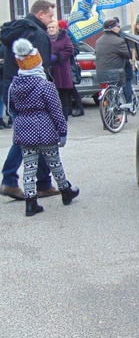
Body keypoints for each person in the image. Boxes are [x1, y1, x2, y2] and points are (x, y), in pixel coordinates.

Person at [8, 38, 79, 216]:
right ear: (36, 63)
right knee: (54, 162)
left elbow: (11, 109)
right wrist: (62, 131)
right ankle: (65, 191)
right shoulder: (44, 85)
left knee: (29, 166)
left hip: (23, 129)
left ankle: (30, 202)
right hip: (44, 129)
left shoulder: (14, 85)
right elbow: (56, 110)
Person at [0, 0, 57, 200]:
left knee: (31, 135)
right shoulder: (37, 34)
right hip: (31, 92)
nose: (52, 20)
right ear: (40, 14)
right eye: (50, 15)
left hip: (12, 88)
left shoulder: (16, 30)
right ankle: (9, 179)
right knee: (26, 138)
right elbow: (41, 67)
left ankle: (43, 182)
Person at [95, 18, 132, 105]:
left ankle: (109, 108)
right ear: (114, 28)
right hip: (115, 72)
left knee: (109, 92)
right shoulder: (118, 41)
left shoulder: (98, 41)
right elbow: (129, 54)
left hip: (101, 72)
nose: (119, 28)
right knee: (119, 88)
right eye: (118, 26)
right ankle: (121, 108)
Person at [47, 19, 74, 120]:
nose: (51, 29)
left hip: (61, 68)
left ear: (57, 28)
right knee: (50, 93)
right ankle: (53, 116)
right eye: (49, 27)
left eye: (53, 27)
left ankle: (64, 116)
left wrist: (58, 56)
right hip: (50, 69)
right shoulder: (46, 38)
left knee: (63, 93)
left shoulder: (64, 37)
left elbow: (70, 49)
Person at [59, 19, 85, 117]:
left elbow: (76, 49)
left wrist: (67, 52)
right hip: (63, 65)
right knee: (67, 88)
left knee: (71, 87)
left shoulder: (69, 37)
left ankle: (79, 108)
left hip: (69, 65)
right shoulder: (59, 37)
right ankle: (69, 108)